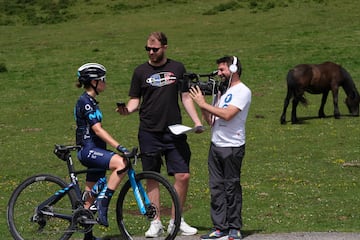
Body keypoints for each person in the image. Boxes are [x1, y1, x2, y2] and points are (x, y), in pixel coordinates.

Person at [117, 32, 204, 237]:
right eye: (148, 49)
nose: (151, 52)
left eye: (155, 49)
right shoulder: (140, 72)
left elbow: (185, 97)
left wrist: (197, 121)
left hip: (174, 131)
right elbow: (134, 100)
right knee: (152, 177)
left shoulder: (177, 68)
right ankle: (155, 222)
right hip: (148, 132)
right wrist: (127, 110)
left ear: (165, 47)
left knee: (183, 175)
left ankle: (177, 220)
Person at [189, 56, 251, 240]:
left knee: (231, 187)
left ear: (234, 69)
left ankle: (234, 228)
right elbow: (212, 121)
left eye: (222, 70)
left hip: (233, 146)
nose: (219, 74)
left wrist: (203, 103)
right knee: (216, 188)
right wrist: (203, 107)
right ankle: (220, 227)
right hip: (216, 145)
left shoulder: (243, 91)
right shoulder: (221, 92)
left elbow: (228, 115)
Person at [74, 63, 129, 240]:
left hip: (95, 150)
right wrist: (119, 147)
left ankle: (87, 236)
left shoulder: (91, 101)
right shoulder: (85, 102)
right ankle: (104, 203)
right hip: (89, 150)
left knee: (88, 198)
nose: (105, 83)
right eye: (103, 79)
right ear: (94, 82)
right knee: (121, 163)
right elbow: (97, 130)